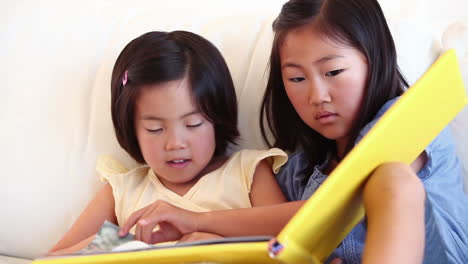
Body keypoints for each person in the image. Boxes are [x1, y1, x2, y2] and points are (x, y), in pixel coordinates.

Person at [117, 0, 468, 263]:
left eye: (333, 72)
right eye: (297, 79)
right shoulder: (297, 170)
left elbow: (334, 204)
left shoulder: (412, 119)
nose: (317, 96)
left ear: (373, 60)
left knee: (388, 176)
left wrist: (197, 217)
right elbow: (284, 238)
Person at [47, 30, 289, 255]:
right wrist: (106, 245)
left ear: (218, 117)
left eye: (193, 124)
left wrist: (215, 244)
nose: (175, 143)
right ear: (131, 129)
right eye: (155, 129)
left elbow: (289, 240)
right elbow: (49, 260)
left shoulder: (248, 172)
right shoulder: (121, 190)